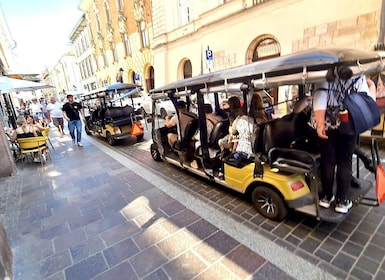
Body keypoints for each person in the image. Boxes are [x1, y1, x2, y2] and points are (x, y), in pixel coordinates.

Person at [312, 67, 372, 214]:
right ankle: (342, 202)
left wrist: (320, 124)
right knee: (345, 162)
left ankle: (326, 198)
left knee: (328, 161)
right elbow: (366, 98)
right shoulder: (358, 75)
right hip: (349, 122)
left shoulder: (324, 74)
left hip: (327, 122)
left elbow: (320, 98)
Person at [190, 104, 223, 168]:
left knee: (191, 143)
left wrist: (194, 137)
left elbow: (201, 137)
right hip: (218, 143)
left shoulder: (207, 122)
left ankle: (196, 162)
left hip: (208, 145)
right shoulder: (220, 118)